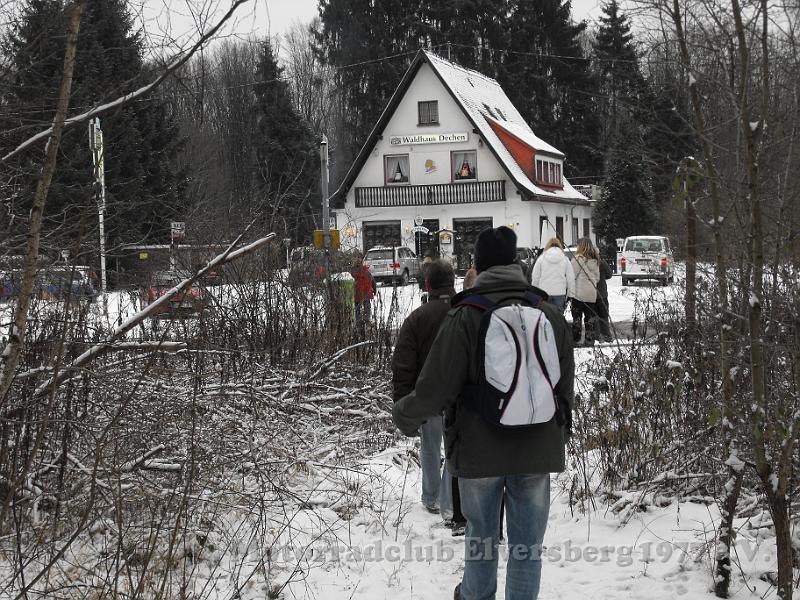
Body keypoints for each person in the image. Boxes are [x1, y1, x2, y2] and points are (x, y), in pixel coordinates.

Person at [393, 226, 574, 600]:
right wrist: (560, 432)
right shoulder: (547, 312)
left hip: (479, 449)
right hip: (537, 448)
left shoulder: (465, 316)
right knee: (527, 547)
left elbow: (435, 387)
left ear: (477, 265)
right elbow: (565, 386)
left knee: (482, 539)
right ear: (517, 263)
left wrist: (405, 416)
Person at [392, 260, 458, 519]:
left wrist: (403, 402)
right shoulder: (465, 310)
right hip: (458, 394)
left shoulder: (417, 318)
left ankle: (431, 496)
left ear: (428, 284)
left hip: (427, 394)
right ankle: (449, 500)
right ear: (452, 282)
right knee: (455, 447)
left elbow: (403, 364)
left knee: (430, 447)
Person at [530, 237, 575, 312]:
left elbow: (535, 277)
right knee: (558, 318)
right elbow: (570, 278)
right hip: (560, 293)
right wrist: (571, 294)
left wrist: (535, 292)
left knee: (545, 317)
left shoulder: (541, 259)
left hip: (544, 292)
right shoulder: (565, 259)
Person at [569, 238, 600, 345]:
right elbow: (598, 278)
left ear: (580, 246)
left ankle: (576, 339)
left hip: (579, 294)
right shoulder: (595, 259)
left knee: (577, 318)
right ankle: (589, 340)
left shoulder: (577, 259)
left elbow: (571, 275)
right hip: (591, 294)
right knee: (589, 319)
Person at [350, 256, 376, 323]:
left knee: (357, 307)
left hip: (357, 293)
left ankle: (358, 319)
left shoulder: (352, 273)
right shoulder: (366, 272)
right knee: (367, 306)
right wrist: (374, 290)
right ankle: (367, 318)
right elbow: (373, 281)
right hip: (367, 293)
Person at [595, 257, 613, 342]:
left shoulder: (585, 261)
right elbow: (609, 274)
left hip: (590, 294)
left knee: (593, 315)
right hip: (602, 293)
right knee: (604, 315)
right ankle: (606, 335)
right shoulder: (601, 262)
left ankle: (597, 335)